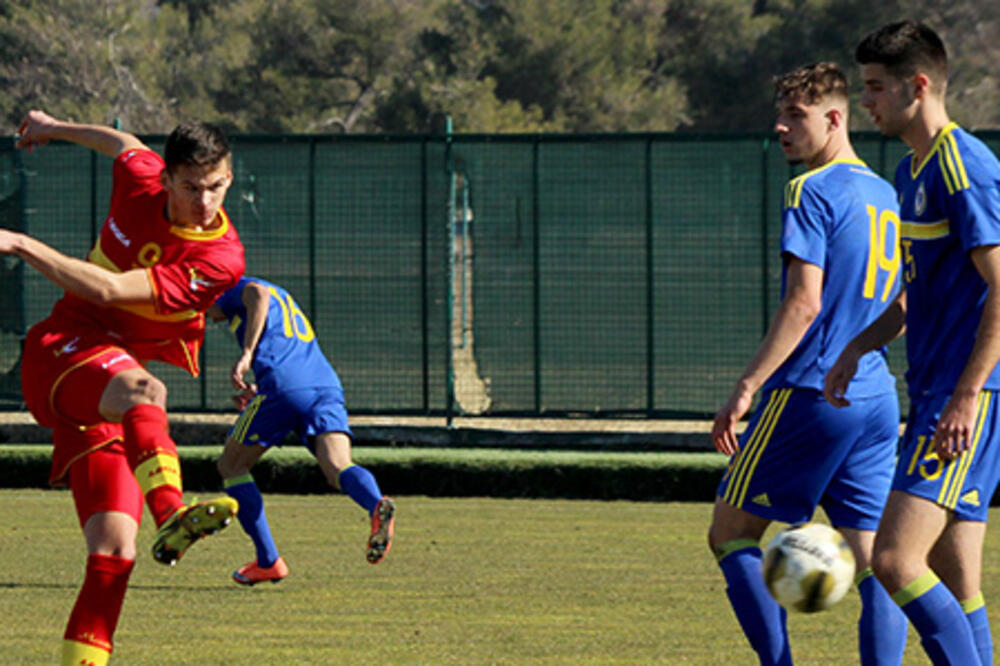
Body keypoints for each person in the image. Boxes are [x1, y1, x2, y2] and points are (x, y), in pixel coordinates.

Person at [7, 110, 245, 666]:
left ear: (230, 178)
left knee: (114, 551)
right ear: (165, 178)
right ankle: (172, 512)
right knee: (146, 391)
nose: (205, 201)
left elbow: (112, 291)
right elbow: (122, 141)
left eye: (216, 187)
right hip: (61, 350)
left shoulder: (219, 259)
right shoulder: (140, 175)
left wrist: (17, 243)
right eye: (191, 187)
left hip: (105, 393)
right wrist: (51, 126)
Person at [707, 63, 908, 665]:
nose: (781, 127)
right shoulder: (885, 194)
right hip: (874, 398)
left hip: (810, 394)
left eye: (796, 116)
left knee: (730, 535)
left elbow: (804, 304)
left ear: (835, 119)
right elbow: (904, 304)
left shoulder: (810, 190)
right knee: (877, 565)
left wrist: (747, 386)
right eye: (780, 115)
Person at [826, 20, 1000, 665]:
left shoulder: (962, 165)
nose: (865, 101)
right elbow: (913, 295)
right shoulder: (909, 171)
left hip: (964, 397)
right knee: (956, 580)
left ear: (918, 86)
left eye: (875, 87)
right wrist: (857, 347)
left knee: (896, 560)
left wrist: (966, 396)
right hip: (936, 391)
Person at [207, 276, 395, 585]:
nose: (208, 318)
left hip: (283, 387)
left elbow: (257, 293)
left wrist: (248, 354)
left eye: (203, 309)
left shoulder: (236, 286)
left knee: (231, 466)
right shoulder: (282, 299)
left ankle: (268, 560)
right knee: (338, 466)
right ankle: (376, 504)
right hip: (323, 385)